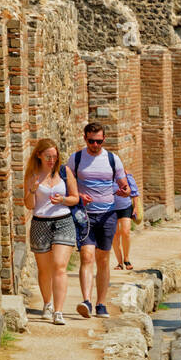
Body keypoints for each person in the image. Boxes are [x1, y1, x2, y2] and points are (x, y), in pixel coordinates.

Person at [67, 122, 130, 318]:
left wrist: (124, 190)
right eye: (92, 141)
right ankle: (86, 301)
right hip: (85, 215)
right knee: (86, 256)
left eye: (99, 141)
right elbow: (67, 182)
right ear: (85, 138)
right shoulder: (76, 158)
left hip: (108, 214)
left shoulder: (112, 159)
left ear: (104, 140)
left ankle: (101, 303)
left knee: (103, 260)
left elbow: (124, 184)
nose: (95, 145)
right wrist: (78, 196)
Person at [23, 138, 80, 324]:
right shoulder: (32, 174)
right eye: (48, 156)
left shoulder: (64, 172)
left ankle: (58, 311)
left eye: (55, 156)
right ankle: (47, 304)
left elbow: (75, 198)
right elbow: (29, 205)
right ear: (39, 155)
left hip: (64, 221)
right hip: (40, 224)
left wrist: (63, 199)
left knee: (59, 266)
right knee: (44, 270)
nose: (52, 160)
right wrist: (32, 191)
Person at [112, 170, 140, 271]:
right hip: (110, 208)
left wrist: (136, 207)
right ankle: (119, 263)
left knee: (126, 231)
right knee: (115, 235)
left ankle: (126, 259)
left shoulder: (126, 174)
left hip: (125, 207)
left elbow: (134, 192)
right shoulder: (105, 173)